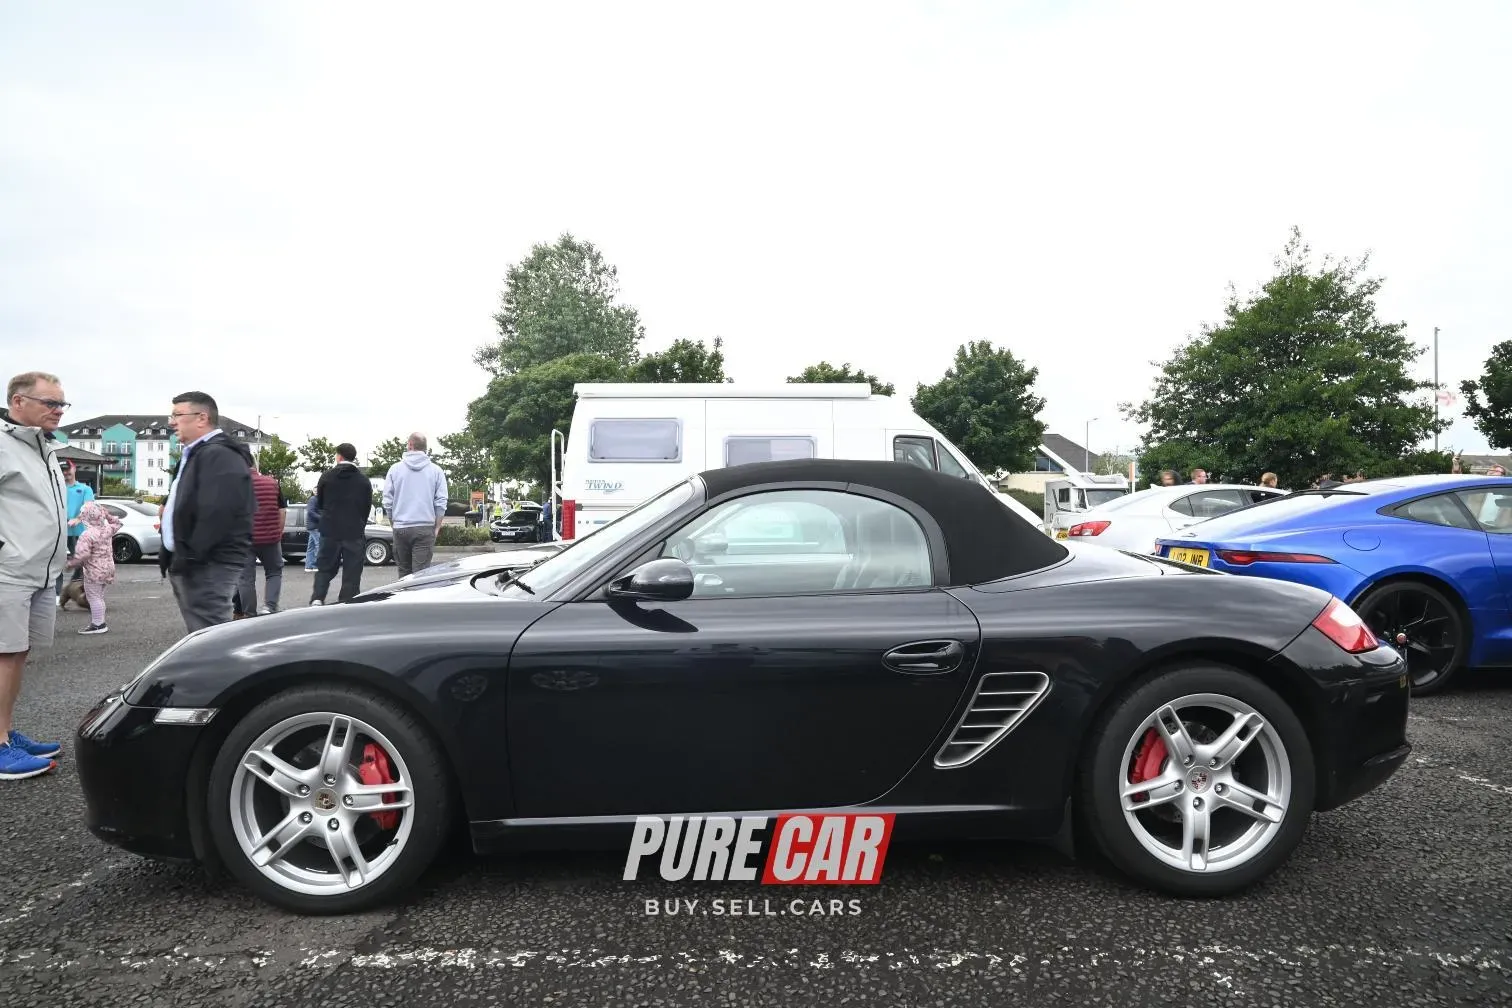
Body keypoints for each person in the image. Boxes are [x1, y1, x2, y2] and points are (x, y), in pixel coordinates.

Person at [0, 370, 69, 779]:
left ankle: (5, 731)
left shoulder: (45, 447)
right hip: (10, 569)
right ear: (18, 401)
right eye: (50, 403)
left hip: (41, 572)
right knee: (4, 655)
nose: (59, 410)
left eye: (62, 403)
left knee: (17, 653)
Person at [160, 391, 255, 633]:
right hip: (196, 563)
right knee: (205, 634)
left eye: (177, 415)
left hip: (206, 565)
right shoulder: (199, 452)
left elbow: (218, 512)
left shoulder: (220, 454)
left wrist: (191, 557)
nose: (171, 422)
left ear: (202, 418)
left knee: (211, 636)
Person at [309, 442, 371, 605]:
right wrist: (360, 523)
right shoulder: (363, 480)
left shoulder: (326, 477)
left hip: (330, 530)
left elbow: (320, 503)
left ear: (339, 456)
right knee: (352, 572)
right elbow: (366, 507)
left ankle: (317, 598)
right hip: (354, 531)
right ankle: (347, 602)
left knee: (325, 568)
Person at [383, 433, 449, 578]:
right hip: (425, 527)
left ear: (410, 445)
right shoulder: (436, 471)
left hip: (401, 527)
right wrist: (437, 527)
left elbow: (387, 500)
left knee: (404, 573)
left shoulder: (394, 469)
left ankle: (404, 593)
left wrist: (393, 523)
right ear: (425, 448)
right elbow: (441, 501)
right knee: (421, 575)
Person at [235, 460, 286, 616]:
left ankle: (250, 614)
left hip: (244, 541)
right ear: (255, 465)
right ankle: (269, 607)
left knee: (246, 579)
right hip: (270, 539)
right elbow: (282, 511)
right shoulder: (272, 483)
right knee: (274, 572)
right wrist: (278, 533)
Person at [64, 501, 119, 635]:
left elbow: (83, 555)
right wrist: (108, 515)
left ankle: (98, 624)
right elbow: (118, 523)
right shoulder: (107, 529)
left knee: (93, 597)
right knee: (99, 597)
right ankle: (100, 622)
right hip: (108, 568)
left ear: (86, 517)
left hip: (94, 571)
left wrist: (71, 564)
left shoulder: (87, 535)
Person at [55, 458, 94, 603]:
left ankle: (73, 588)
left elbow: (88, 506)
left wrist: (78, 518)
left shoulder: (85, 489)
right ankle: (57, 594)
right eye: (63, 470)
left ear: (74, 469)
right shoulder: (56, 488)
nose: (66, 473)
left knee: (82, 562)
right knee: (56, 563)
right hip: (58, 532)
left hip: (78, 533)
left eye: (68, 469)